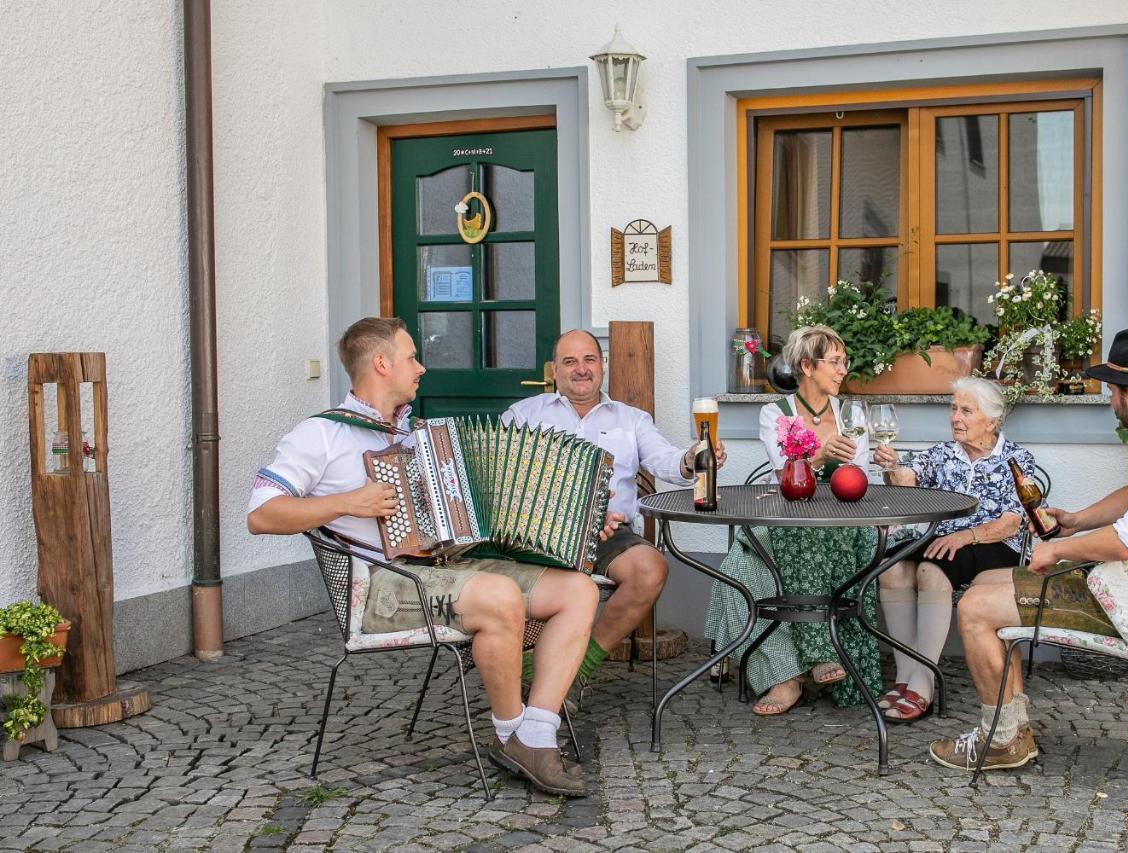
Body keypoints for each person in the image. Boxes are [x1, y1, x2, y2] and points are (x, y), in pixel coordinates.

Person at [247, 317, 600, 797]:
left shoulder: (416, 433)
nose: (421, 367)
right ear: (381, 363)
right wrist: (348, 502)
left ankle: (535, 732)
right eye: (412, 357)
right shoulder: (322, 435)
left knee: (578, 590)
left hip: (445, 567)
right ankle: (508, 734)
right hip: (382, 586)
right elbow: (261, 514)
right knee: (499, 596)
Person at [929, 325, 1128, 772]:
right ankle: (1013, 730)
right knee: (989, 580)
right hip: (1127, 582)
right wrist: (1077, 519)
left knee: (974, 608)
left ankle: (1001, 740)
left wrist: (1060, 551)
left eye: (1110, 390)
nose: (1108, 400)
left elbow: (1127, 542)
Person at [503, 329, 726, 700]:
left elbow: (668, 463)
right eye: (570, 362)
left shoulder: (631, 419)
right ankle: (534, 669)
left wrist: (692, 458)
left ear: (602, 366)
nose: (581, 370)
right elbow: (500, 478)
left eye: (589, 359)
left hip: (609, 535)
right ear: (554, 369)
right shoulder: (522, 416)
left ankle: (578, 667)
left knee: (651, 569)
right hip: (541, 535)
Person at [704, 324, 881, 715]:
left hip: (841, 525)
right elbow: (783, 468)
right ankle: (785, 677)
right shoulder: (775, 413)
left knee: (775, 552)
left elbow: (861, 476)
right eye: (834, 362)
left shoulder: (852, 415)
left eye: (844, 362)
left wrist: (854, 465)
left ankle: (815, 655)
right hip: (785, 519)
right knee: (739, 570)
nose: (842, 370)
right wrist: (818, 457)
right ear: (807, 365)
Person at [872, 377, 1033, 723]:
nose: (955, 417)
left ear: (991, 422)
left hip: (994, 545)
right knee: (892, 568)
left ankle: (924, 681)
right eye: (954, 408)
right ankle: (905, 674)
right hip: (943, 540)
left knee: (931, 570)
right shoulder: (941, 454)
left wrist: (967, 536)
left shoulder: (1017, 459)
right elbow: (906, 482)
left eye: (966, 410)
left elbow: (1012, 522)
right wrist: (890, 466)